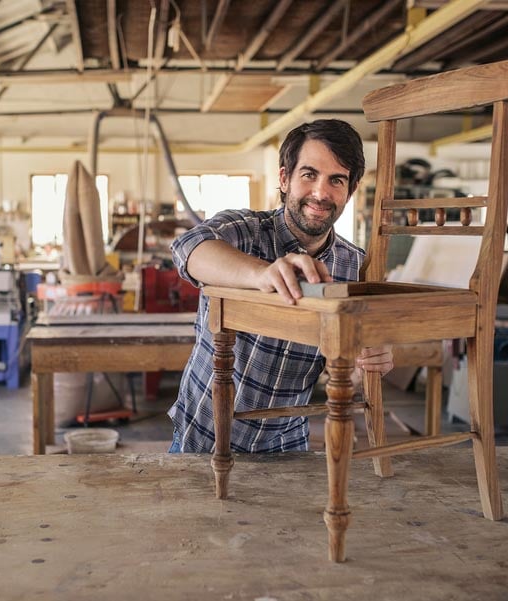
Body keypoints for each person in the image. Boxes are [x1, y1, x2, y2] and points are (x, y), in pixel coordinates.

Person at [168, 119, 394, 453]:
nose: (320, 192)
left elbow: (349, 365)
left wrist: (369, 363)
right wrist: (263, 274)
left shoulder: (356, 267)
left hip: (287, 447)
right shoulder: (244, 230)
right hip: (201, 439)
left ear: (351, 189)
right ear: (285, 178)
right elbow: (187, 247)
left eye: (336, 180)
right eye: (309, 174)